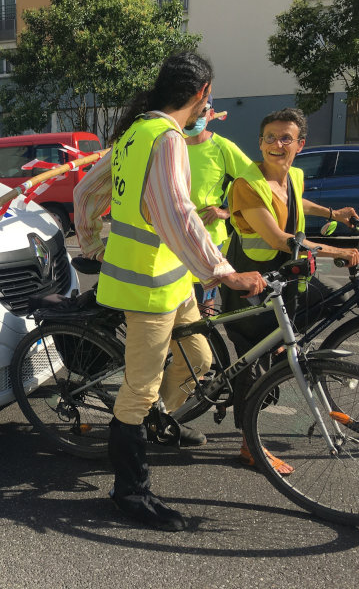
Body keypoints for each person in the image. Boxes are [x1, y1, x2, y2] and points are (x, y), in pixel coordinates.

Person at [96, 52, 265, 532]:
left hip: (171, 279)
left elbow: (90, 187)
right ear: (202, 94)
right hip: (147, 285)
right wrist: (224, 271)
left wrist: (90, 238)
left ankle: (155, 420)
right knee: (138, 390)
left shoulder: (134, 132)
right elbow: (176, 212)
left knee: (200, 357)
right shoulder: (165, 137)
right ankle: (128, 492)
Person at [221, 107, 359, 474]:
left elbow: (296, 201)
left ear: (301, 144)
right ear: (259, 142)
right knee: (252, 363)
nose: (276, 144)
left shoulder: (294, 175)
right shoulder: (246, 185)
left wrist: (333, 214)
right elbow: (280, 239)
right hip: (250, 282)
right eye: (269, 137)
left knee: (331, 300)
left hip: (284, 279)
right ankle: (248, 446)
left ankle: (285, 347)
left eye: (286, 138)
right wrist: (338, 250)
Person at [185, 96, 252, 315]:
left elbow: (256, 187)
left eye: (201, 112)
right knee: (177, 307)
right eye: (190, 111)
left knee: (205, 309)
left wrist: (225, 212)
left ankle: (205, 347)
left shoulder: (222, 148)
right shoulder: (172, 145)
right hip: (173, 238)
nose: (195, 118)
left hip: (209, 240)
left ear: (211, 114)